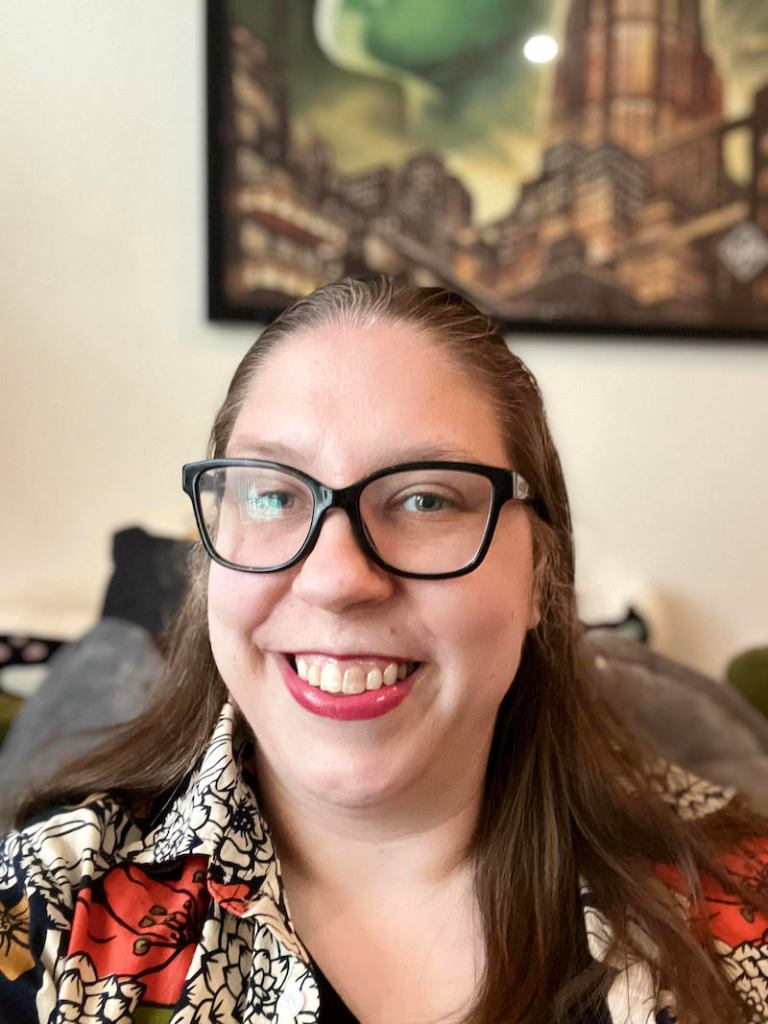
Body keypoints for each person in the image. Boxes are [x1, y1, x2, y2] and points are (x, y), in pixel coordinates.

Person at [1, 277, 767, 1024]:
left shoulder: (740, 903)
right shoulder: (43, 909)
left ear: (542, 575)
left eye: (427, 499)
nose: (336, 580)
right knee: (107, 662)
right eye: (273, 494)